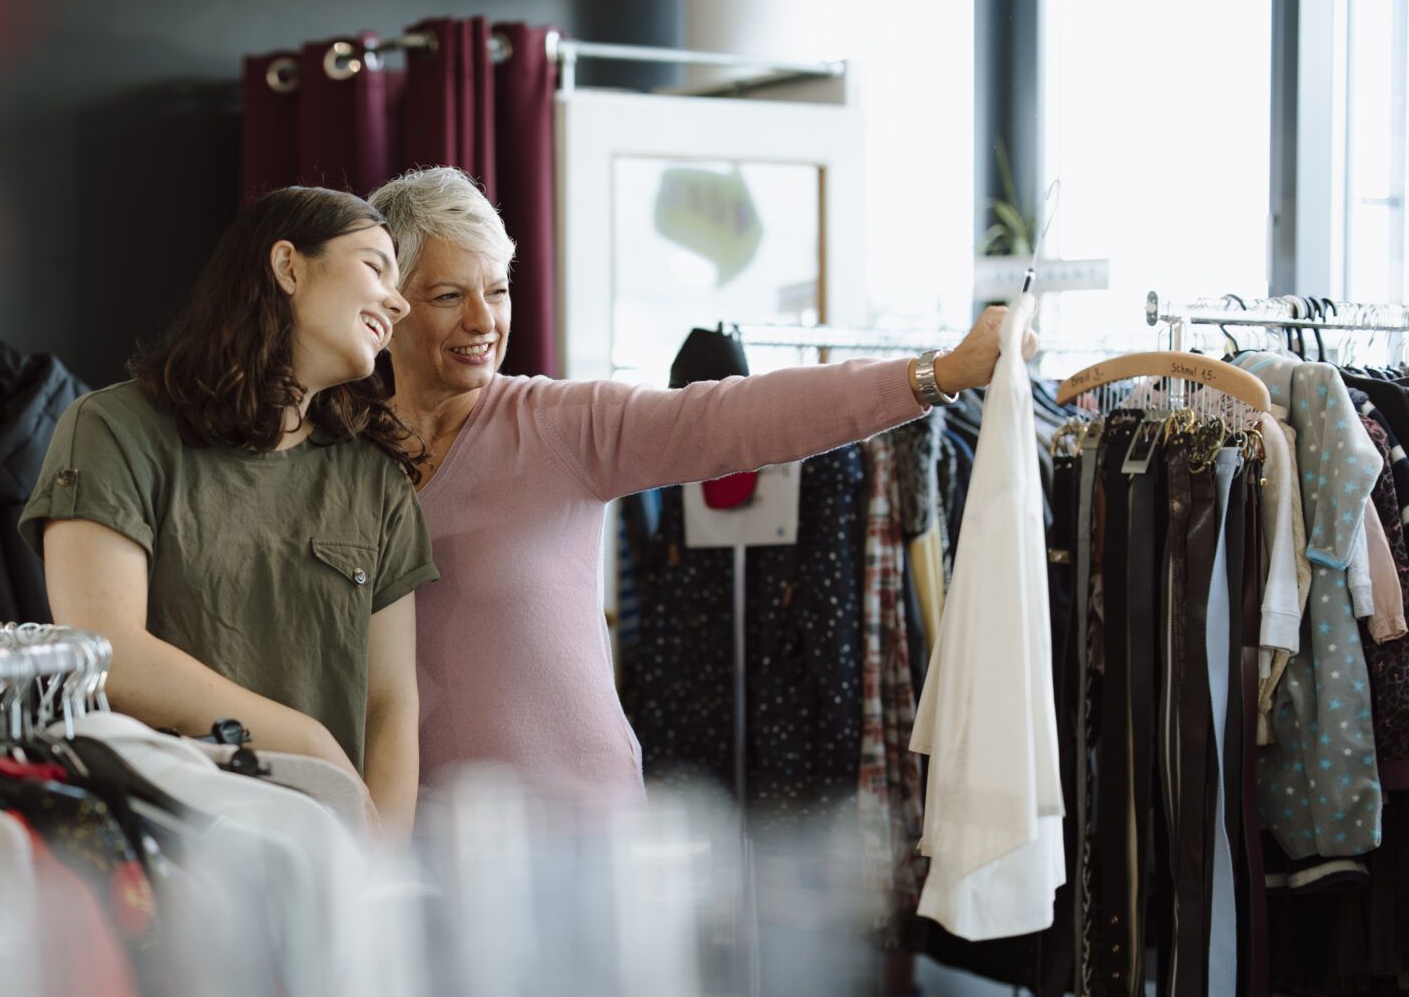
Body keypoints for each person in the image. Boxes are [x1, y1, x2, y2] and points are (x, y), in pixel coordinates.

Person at [367, 166, 1036, 803]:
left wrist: (936, 374)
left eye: (499, 290)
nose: (484, 321)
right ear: (389, 305)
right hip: (420, 835)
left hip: (574, 837)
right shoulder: (342, 455)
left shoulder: (559, 426)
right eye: (450, 295)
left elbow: (734, 417)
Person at [21, 186, 435, 837]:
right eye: (375, 266)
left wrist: (379, 869)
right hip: (162, 853)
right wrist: (314, 748)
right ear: (288, 266)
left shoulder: (376, 481)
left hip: (328, 860)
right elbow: (109, 652)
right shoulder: (112, 429)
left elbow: (390, 703)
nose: (399, 300)